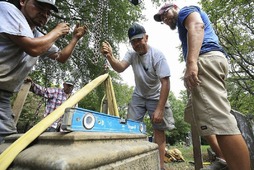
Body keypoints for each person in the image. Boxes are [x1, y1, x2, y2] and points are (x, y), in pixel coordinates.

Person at [154, 3, 250, 170]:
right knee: (194, 115)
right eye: (161, 19)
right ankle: (223, 158)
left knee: (220, 121)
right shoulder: (183, 22)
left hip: (204, 60)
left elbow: (197, 26)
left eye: (164, 13)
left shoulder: (185, 11)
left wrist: (192, 63)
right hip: (207, 61)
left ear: (174, 7)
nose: (164, 18)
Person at [0, 0, 87, 143]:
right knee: (9, 147)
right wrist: (57, 32)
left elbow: (61, 57)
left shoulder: (38, 36)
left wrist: (75, 38)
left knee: (8, 145)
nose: (44, 14)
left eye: (48, 12)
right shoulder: (6, 10)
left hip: (4, 96)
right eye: (40, 6)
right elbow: (33, 48)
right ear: (22, 1)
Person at [100, 23, 175, 170]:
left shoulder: (157, 55)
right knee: (130, 128)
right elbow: (120, 67)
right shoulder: (131, 54)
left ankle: (160, 166)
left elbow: (165, 82)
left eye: (139, 39)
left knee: (158, 129)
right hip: (139, 95)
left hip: (155, 95)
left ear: (146, 38)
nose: (137, 44)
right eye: (133, 41)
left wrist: (160, 109)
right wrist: (110, 57)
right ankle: (133, 162)